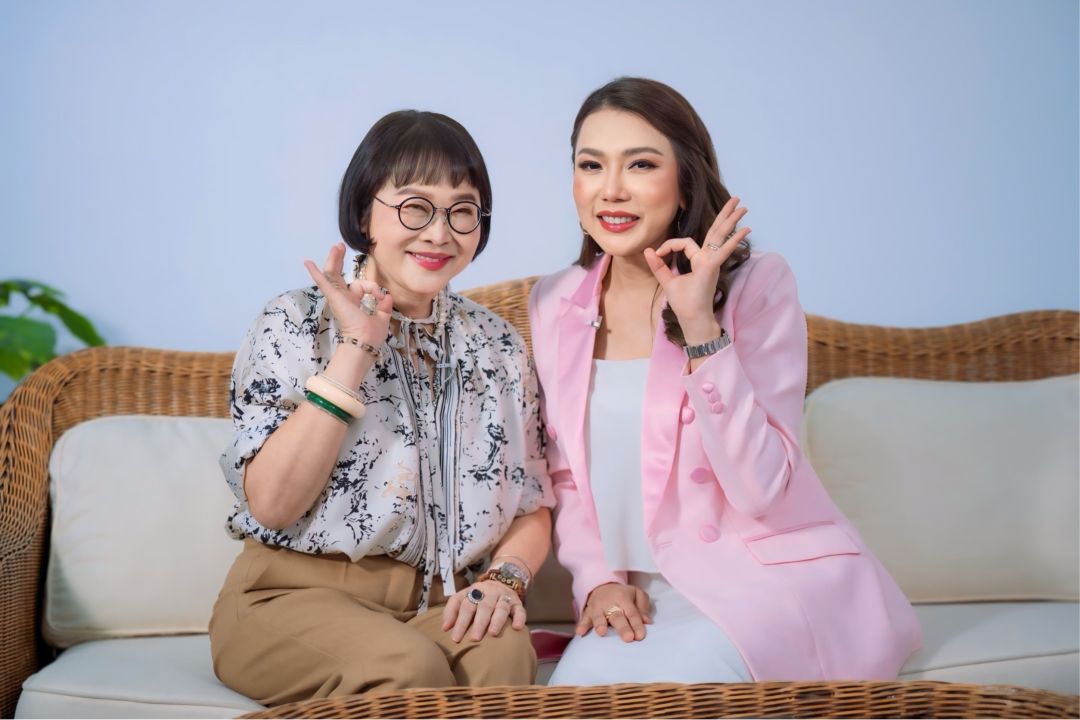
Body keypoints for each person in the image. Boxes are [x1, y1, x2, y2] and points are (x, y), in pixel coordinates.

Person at [530, 77, 921, 685]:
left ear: (685, 177)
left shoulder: (756, 285)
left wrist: (699, 328)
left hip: (753, 584)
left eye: (641, 164)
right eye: (591, 164)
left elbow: (761, 489)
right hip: (633, 599)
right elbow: (565, 473)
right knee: (577, 699)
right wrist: (598, 581)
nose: (611, 189)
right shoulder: (554, 300)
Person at [209, 110, 554, 706]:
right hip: (288, 597)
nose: (439, 233)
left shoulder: (497, 346)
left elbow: (532, 500)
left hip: (441, 603)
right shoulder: (295, 322)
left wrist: (504, 579)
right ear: (365, 212)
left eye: (463, 210)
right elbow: (273, 504)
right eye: (415, 207)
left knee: (502, 654)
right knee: (405, 667)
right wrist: (356, 348)